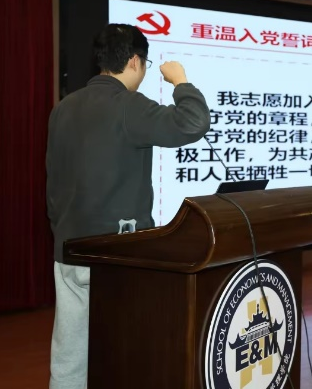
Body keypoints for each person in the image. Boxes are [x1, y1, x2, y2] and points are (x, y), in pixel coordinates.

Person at [45, 24, 211, 389]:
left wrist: (62, 230)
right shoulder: (129, 105)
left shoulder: (63, 108)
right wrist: (180, 81)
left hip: (68, 248)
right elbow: (194, 122)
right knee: (127, 349)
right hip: (119, 255)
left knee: (70, 354)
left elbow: (52, 182)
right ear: (135, 61)